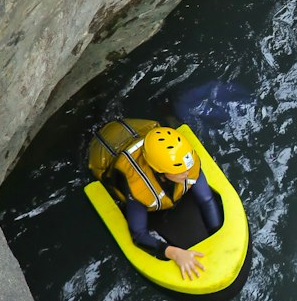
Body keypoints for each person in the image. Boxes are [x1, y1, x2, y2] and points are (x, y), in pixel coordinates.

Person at [89, 120, 222, 280]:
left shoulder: (186, 161)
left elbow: (206, 200)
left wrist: (217, 234)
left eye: (187, 167)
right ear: (160, 171)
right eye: (178, 171)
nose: (187, 173)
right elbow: (139, 235)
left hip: (137, 131)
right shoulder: (137, 186)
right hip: (105, 150)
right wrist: (175, 253)